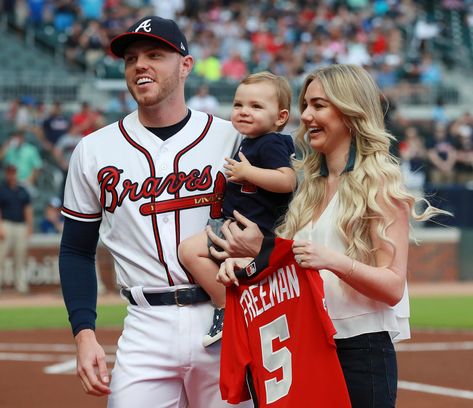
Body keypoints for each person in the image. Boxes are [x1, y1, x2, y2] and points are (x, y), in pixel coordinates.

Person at [215, 64, 449, 408]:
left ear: (350, 111)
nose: (307, 115)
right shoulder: (306, 186)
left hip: (359, 352)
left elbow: (392, 286)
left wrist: (334, 261)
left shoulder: (379, 185)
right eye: (306, 105)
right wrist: (247, 259)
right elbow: (293, 265)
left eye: (319, 105)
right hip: (304, 347)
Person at [58, 15, 255, 408]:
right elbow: (76, 250)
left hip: (228, 316)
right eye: (131, 59)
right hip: (145, 325)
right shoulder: (94, 150)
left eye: (154, 54)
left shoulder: (233, 139)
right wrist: (84, 332)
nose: (139, 65)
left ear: (186, 65)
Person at [179, 72, 296, 347]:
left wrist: (248, 171)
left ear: (280, 117)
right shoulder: (251, 140)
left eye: (256, 106)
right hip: (242, 225)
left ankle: (224, 307)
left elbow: (287, 181)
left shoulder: (272, 142)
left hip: (252, 228)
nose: (244, 112)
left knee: (188, 250)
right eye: (238, 105)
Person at [0, 164, 33, 294]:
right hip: (6, 224)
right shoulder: (2, 189)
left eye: (13, 173)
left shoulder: (22, 190)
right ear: (6, 174)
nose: (11, 175)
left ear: (16, 173)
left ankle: (21, 287)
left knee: (20, 257)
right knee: (1, 256)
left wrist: (30, 226)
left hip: (21, 225)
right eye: (9, 173)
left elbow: (28, 209)